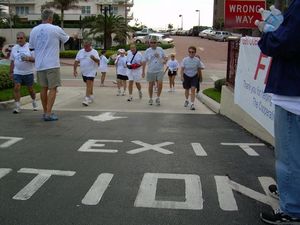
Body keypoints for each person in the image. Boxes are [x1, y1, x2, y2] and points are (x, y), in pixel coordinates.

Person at [258, 1, 300, 224]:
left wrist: (269, 32)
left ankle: (292, 209)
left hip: (293, 94)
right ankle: (292, 193)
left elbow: (282, 43)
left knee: (290, 158)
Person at [29, 8, 69, 121]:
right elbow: (67, 40)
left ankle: (45, 111)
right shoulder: (55, 29)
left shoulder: (34, 30)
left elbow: (31, 47)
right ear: (51, 18)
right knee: (53, 88)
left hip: (39, 64)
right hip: (52, 64)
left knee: (43, 88)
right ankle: (49, 113)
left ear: (42, 18)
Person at [9, 32, 37, 114]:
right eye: (18, 38)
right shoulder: (14, 48)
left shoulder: (30, 47)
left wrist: (28, 58)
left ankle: (34, 100)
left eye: (21, 38)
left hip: (28, 72)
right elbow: (12, 61)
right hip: (17, 72)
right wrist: (11, 72)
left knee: (30, 89)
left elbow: (35, 59)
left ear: (25, 38)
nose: (19, 40)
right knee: (16, 87)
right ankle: (17, 107)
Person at [73, 39, 100, 106]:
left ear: (90, 45)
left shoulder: (94, 52)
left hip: (92, 71)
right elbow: (76, 61)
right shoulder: (80, 52)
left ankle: (86, 99)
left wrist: (93, 58)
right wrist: (74, 70)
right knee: (89, 84)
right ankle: (91, 95)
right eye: (84, 46)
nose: (85, 48)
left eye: (87, 46)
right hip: (84, 71)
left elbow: (98, 61)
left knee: (88, 83)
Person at [142, 38, 167, 106]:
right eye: (152, 42)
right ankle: (150, 98)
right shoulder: (147, 51)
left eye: (154, 42)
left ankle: (158, 97)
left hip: (160, 70)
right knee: (150, 85)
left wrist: (162, 58)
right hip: (151, 70)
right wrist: (143, 71)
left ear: (157, 43)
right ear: (150, 43)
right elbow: (144, 61)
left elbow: (165, 58)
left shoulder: (160, 49)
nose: (153, 44)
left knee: (160, 84)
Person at [181, 46, 203, 110]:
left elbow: (199, 69)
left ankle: (192, 104)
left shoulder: (197, 60)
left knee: (193, 89)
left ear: (195, 53)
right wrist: (182, 76)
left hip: (194, 76)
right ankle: (186, 100)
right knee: (187, 89)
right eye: (189, 52)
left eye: (192, 52)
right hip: (186, 75)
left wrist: (201, 77)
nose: (191, 53)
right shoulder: (185, 59)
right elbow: (182, 69)